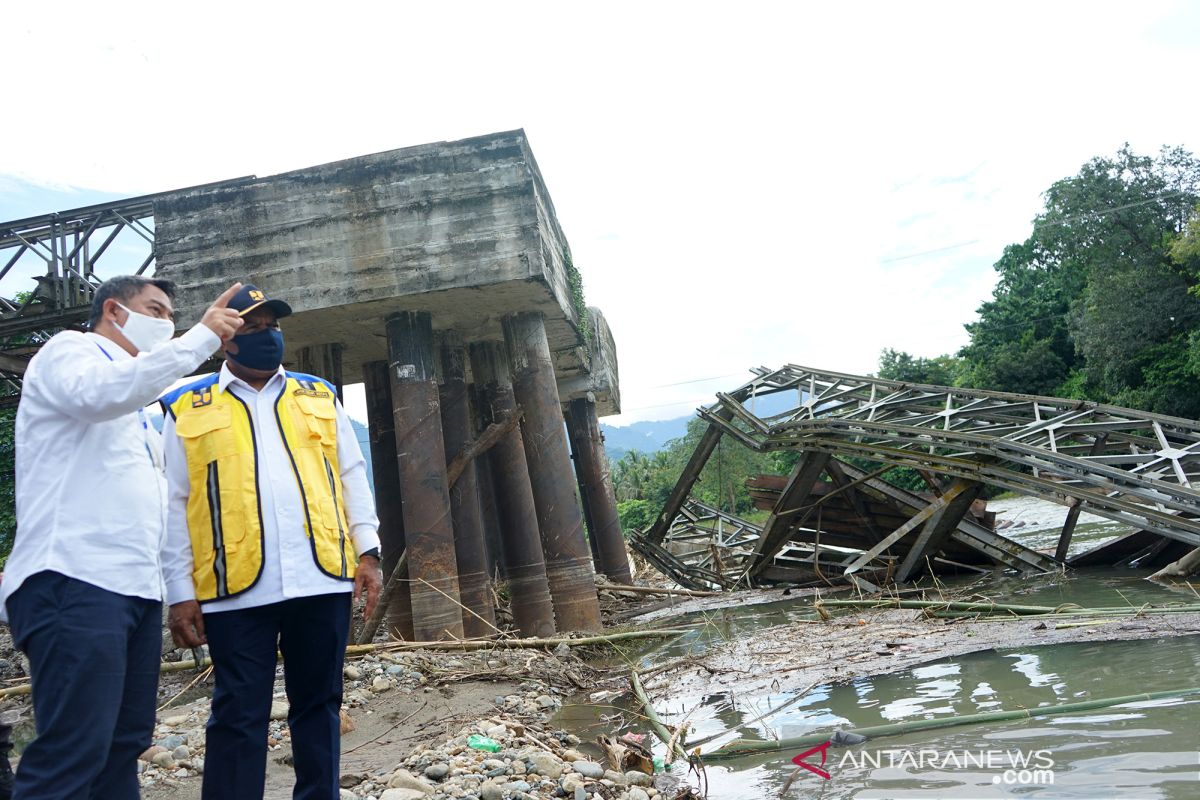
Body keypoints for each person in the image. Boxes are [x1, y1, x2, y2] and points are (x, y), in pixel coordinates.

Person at [0, 275, 244, 799]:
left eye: (171, 317)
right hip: (73, 579)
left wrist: (175, 591)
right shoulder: (70, 353)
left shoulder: (144, 404)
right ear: (113, 310)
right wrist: (199, 338)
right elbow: (99, 395)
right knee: (74, 748)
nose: (166, 324)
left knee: (122, 744)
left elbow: (156, 505)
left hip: (132, 592)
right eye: (154, 310)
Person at [160, 284, 382, 800]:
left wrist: (367, 554)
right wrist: (180, 591)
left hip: (321, 575)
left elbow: (351, 474)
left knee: (320, 701)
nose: (266, 336)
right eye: (251, 327)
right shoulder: (183, 406)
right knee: (238, 711)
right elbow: (173, 505)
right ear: (223, 340)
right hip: (234, 587)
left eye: (272, 326)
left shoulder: (318, 394)